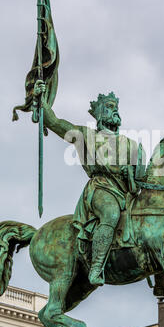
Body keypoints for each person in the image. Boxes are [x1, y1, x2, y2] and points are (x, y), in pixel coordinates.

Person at [34, 81, 139, 285]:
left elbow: (141, 176)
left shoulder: (131, 144)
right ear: (99, 113)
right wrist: (42, 101)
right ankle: (96, 267)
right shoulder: (86, 135)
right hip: (101, 188)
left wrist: (131, 174)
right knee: (110, 214)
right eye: (109, 108)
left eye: (115, 108)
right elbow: (54, 122)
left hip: (127, 193)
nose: (114, 112)